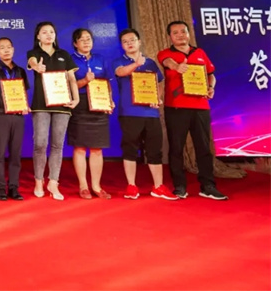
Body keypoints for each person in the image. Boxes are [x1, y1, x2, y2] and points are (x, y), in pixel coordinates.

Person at [157, 20, 227, 201]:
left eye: (183, 31)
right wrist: (177, 67)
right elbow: (167, 62)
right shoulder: (166, 53)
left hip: (200, 107)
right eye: (175, 32)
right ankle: (180, 186)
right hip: (176, 107)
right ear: (170, 36)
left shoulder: (200, 53)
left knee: (204, 147)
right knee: (176, 148)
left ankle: (208, 186)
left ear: (188, 34)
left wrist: (211, 87)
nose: (180, 35)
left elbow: (211, 74)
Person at [113, 28, 177, 200]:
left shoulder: (150, 63)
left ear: (139, 42)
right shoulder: (119, 61)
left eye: (132, 40)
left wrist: (157, 97)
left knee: (155, 150)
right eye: (125, 41)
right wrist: (136, 64)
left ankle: (158, 186)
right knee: (130, 149)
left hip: (151, 114)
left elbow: (160, 82)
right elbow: (120, 72)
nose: (129, 43)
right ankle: (131, 186)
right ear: (122, 45)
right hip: (129, 113)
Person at [26, 21, 79, 201]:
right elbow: (32, 62)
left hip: (62, 105)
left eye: (51, 32)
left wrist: (76, 98)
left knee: (57, 145)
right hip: (41, 105)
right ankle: (38, 180)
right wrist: (37, 67)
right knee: (40, 143)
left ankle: (53, 182)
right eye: (44, 32)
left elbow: (71, 78)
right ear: (38, 36)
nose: (49, 35)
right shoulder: (34, 53)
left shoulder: (64, 55)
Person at [68, 28, 113, 200]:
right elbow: (67, 86)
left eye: (89, 39)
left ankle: (96, 186)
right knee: (80, 147)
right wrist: (85, 81)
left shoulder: (100, 59)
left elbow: (107, 83)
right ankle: (83, 186)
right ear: (75, 43)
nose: (86, 42)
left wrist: (109, 101)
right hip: (79, 104)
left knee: (97, 148)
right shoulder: (70, 60)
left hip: (99, 104)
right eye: (82, 39)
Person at [0, 37, 29, 201]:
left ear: (13, 49)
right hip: (1, 115)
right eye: (2, 48)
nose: (6, 50)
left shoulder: (20, 71)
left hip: (17, 116)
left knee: (15, 154)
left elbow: (23, 92)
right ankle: (0, 188)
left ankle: (14, 187)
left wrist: (25, 105)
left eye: (9, 47)